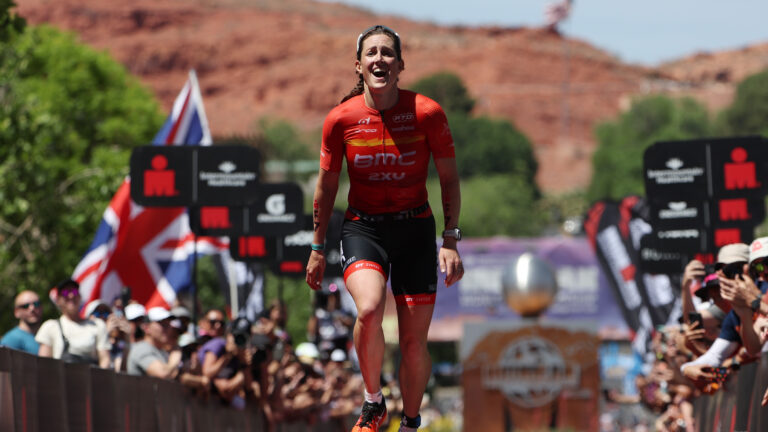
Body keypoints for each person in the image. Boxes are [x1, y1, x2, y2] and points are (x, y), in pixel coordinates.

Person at [305, 25, 464, 432]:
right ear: (358, 66)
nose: (380, 59)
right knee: (370, 308)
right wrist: (317, 247)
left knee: (413, 344)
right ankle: (374, 402)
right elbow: (326, 185)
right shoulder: (341, 119)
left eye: (388, 53)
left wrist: (450, 239)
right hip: (364, 228)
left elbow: (448, 179)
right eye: (371, 53)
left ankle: (410, 422)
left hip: (415, 231)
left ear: (400, 65)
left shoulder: (427, 112)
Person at [36, 279, 110, 367]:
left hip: (92, 379)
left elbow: (105, 359)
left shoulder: (97, 325)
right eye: (65, 293)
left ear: (80, 296)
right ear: (58, 300)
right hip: (60, 379)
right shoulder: (50, 326)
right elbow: (44, 364)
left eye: (74, 292)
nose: (71, 296)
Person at [125, 307, 182, 378]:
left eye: (168, 324)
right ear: (146, 328)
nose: (168, 328)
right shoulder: (141, 348)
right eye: (162, 324)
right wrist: (175, 358)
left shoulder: (162, 352)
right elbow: (163, 373)